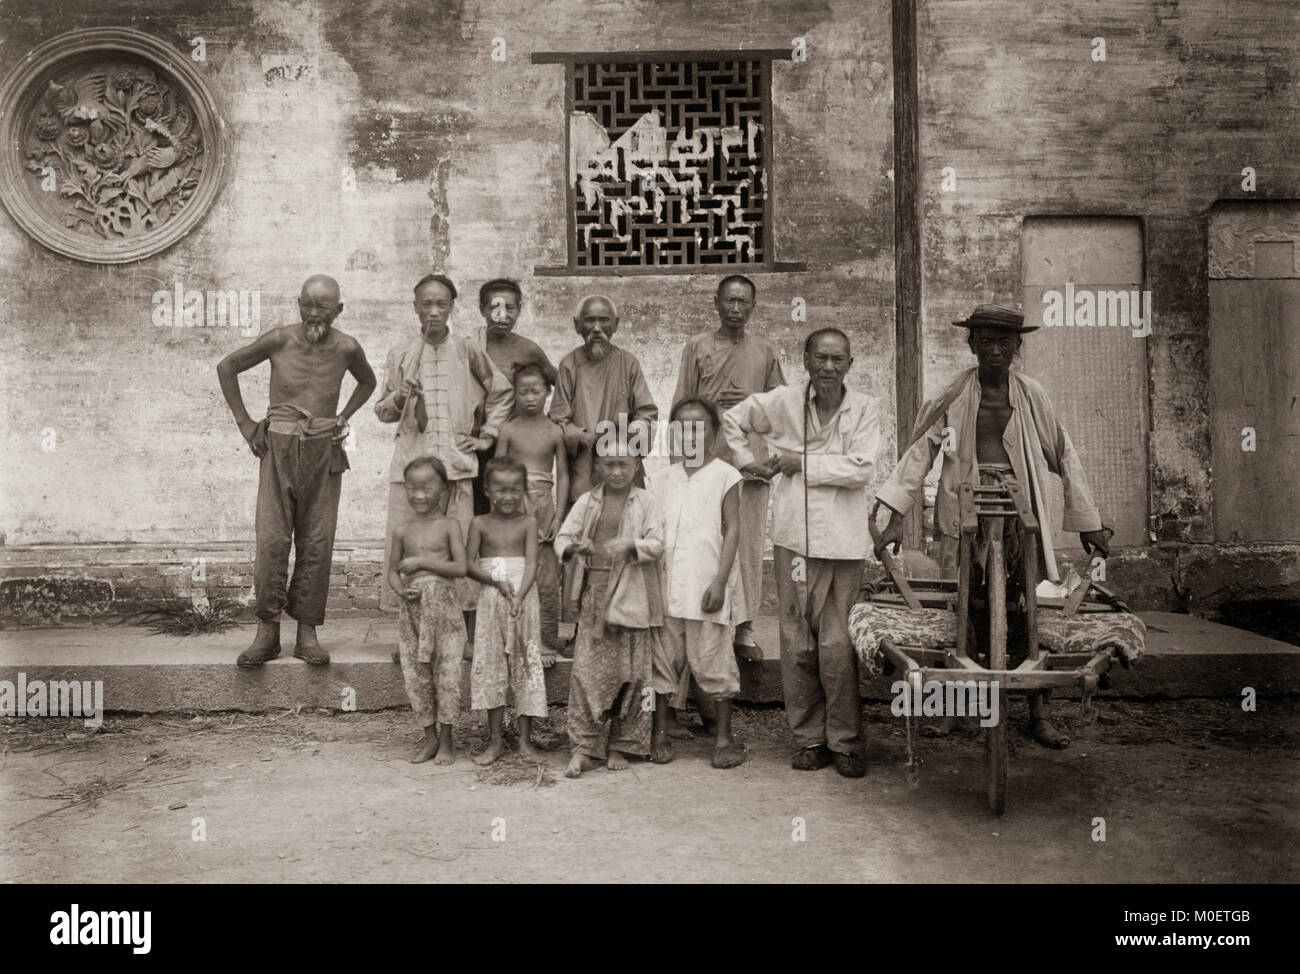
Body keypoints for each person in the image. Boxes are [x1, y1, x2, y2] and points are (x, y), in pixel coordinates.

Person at [873, 304, 1112, 748]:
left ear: (1017, 347)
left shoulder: (1032, 395)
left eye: (1005, 342)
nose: (996, 350)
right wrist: (895, 516)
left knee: (1026, 607)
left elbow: (1064, 454)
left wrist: (1088, 522)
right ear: (972, 345)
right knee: (963, 607)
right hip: (965, 513)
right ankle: (955, 709)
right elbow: (918, 456)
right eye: (986, 342)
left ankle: (1038, 710)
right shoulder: (950, 394)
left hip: (1022, 513)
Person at [723, 328, 882, 778]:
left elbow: (862, 467)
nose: (828, 367)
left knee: (836, 643)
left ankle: (846, 742)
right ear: (806, 360)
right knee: (796, 643)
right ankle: (809, 739)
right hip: (793, 539)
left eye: (838, 359)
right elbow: (733, 419)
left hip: (844, 544)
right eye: (820, 358)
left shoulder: (866, 408)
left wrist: (802, 464)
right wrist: (745, 462)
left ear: (850, 363)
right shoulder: (784, 401)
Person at [217, 274, 377, 668]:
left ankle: (307, 631)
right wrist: (245, 424)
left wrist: (343, 417)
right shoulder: (279, 339)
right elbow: (227, 366)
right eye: (307, 303)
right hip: (279, 447)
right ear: (298, 303)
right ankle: (267, 632)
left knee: (318, 539)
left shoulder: (347, 347)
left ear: (338, 309)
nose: (313, 312)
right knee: (271, 538)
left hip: (323, 449)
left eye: (322, 306)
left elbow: (368, 382)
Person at [373, 273, 512, 620]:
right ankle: (413, 628)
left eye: (441, 304)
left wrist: (487, 436)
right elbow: (382, 412)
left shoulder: (467, 350)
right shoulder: (401, 353)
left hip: (455, 466)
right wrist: (400, 395)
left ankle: (459, 629)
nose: (433, 311)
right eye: (426, 304)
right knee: (408, 548)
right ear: (415, 308)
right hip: (412, 471)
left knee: (458, 548)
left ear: (451, 307)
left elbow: (502, 392)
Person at [649, 399, 747, 769]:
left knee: (714, 659)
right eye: (682, 428)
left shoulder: (726, 475)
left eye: (699, 428)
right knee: (662, 662)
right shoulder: (662, 478)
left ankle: (724, 737)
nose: (690, 435)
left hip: (706, 584)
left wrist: (720, 581)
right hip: (666, 586)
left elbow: (733, 528)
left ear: (714, 433)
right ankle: (658, 732)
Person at [555, 450, 663, 777]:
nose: (616, 471)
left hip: (632, 595)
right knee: (585, 675)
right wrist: (576, 548)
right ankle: (585, 748)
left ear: (636, 466)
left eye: (624, 464)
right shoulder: (588, 502)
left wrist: (632, 545)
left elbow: (658, 542)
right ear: (598, 465)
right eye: (609, 464)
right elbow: (562, 539)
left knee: (633, 673)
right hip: (595, 596)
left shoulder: (647, 501)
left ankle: (622, 745)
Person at [464, 457, 550, 765]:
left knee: (526, 664)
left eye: (515, 490)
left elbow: (532, 563)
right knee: (491, 665)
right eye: (501, 489)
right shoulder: (480, 523)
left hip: (524, 598)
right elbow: (468, 564)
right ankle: (496, 740)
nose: (508, 496)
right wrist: (495, 582)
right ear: (487, 490)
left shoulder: (528, 522)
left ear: (524, 491)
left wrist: (519, 596)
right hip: (490, 597)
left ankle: (526, 740)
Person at [387, 456, 469, 765]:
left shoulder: (449, 525)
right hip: (412, 611)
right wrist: (400, 589)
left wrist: (421, 563)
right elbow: (393, 572)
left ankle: (448, 740)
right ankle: (429, 738)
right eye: (412, 488)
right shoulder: (402, 530)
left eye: (426, 488)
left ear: (443, 489)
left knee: (447, 674)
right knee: (417, 677)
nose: (419, 495)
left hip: (445, 609)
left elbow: (460, 568)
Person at [549, 295, 658, 507]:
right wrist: (580, 436)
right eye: (589, 320)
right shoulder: (569, 364)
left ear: (616, 324)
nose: (597, 328)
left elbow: (646, 413)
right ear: (576, 325)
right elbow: (557, 417)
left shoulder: (628, 363)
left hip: (621, 458)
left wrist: (625, 434)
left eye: (604, 320)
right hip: (583, 462)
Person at [495, 363, 568, 661]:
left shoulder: (554, 432)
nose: (529, 398)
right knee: (514, 574)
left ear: (548, 393)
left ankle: (547, 643)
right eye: (522, 392)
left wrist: (560, 515)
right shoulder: (508, 430)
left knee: (547, 579)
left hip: (545, 506)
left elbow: (562, 475)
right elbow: (497, 472)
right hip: (513, 505)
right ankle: (513, 640)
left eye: (535, 391)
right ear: (514, 394)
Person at [469, 278, 558, 515]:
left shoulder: (527, 350)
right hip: (478, 439)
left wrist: (551, 421)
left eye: (509, 308)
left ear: (519, 310)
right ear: (482, 310)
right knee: (480, 504)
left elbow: (561, 384)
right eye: (494, 307)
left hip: (516, 440)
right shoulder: (469, 347)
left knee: (516, 504)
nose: (502, 315)